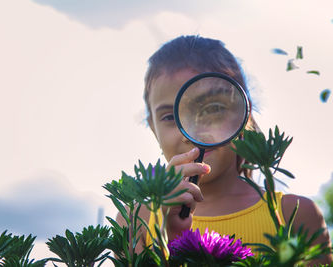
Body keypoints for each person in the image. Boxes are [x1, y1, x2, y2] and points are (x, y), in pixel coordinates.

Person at [116, 35, 332, 265]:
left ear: (244, 114)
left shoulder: (295, 214)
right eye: (170, 116)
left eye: (214, 108)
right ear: (153, 129)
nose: (194, 131)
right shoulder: (135, 220)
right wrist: (167, 242)